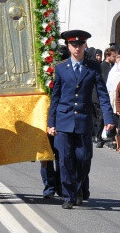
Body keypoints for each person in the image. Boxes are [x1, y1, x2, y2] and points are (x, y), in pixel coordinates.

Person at [47, 30, 115, 209]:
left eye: (80, 45)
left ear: (85, 46)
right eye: (73, 45)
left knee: (83, 158)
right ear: (69, 47)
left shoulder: (93, 67)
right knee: (65, 159)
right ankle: (69, 195)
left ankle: (79, 188)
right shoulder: (61, 68)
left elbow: (102, 94)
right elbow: (56, 96)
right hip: (63, 120)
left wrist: (109, 117)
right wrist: (51, 122)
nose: (77, 48)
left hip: (84, 121)